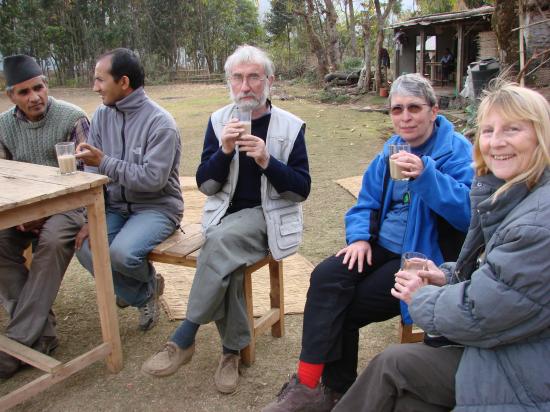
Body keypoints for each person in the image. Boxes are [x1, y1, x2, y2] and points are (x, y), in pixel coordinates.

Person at [333, 82, 550, 412]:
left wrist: (421, 297)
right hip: (504, 338)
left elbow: (479, 311)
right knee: (330, 281)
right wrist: (445, 275)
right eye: (489, 130)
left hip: (520, 367)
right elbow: (500, 282)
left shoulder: (535, 220)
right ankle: (317, 385)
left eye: (513, 129)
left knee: (391, 368)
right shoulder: (513, 192)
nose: (496, 141)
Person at [263, 73, 474, 412]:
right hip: (380, 244)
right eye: (397, 109)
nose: (405, 117)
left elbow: (468, 214)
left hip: (421, 256)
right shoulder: (391, 148)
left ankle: (331, 389)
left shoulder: (456, 151)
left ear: (434, 111)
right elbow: (366, 200)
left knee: (343, 306)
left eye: (414, 108)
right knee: (327, 275)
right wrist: (360, 237)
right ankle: (310, 383)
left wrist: (426, 175)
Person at [141, 45, 311, 394]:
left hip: (268, 218)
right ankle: (230, 353)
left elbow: (300, 191)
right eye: (238, 77)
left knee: (217, 245)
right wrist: (225, 151)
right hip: (224, 218)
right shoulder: (219, 121)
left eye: (254, 77)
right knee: (226, 262)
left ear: (269, 81)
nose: (245, 85)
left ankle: (185, 335)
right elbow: (206, 184)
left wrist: (267, 160)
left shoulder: (290, 127)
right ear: (229, 82)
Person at [75, 48, 183, 332]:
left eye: (100, 80)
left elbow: (153, 180)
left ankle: (139, 288)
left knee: (121, 254)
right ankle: (145, 291)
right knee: (86, 248)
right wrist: (91, 216)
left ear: (123, 82)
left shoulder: (161, 124)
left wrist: (105, 162)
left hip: (157, 207)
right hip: (114, 206)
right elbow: (90, 168)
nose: (94, 87)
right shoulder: (101, 115)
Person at [0, 54, 89, 378]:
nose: (34, 97)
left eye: (38, 88)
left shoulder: (73, 117)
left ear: (46, 85)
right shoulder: (3, 126)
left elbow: (88, 176)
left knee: (52, 242)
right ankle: (42, 334)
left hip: (70, 207)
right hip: (22, 210)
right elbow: (3, 176)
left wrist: (46, 211)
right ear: (11, 95)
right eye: (23, 92)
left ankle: (16, 345)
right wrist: (21, 214)